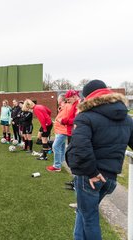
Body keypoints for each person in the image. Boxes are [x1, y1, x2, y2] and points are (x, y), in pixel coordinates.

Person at [66, 79, 133, 239]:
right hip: (110, 178)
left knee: (89, 219)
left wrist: (91, 172)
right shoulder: (127, 118)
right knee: (83, 214)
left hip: (91, 176)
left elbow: (80, 147)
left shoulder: (86, 116)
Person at [46, 94, 71, 172]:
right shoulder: (62, 107)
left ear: (61, 99)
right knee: (61, 147)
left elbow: (68, 118)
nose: (57, 100)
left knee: (55, 146)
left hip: (63, 131)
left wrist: (61, 121)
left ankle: (57, 166)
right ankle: (61, 161)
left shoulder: (68, 107)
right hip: (59, 130)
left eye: (58, 99)